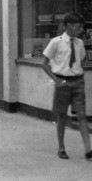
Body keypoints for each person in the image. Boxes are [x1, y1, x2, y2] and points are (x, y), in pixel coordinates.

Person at [41, 12, 92, 160]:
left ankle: (88, 150)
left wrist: (77, 75)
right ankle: (61, 148)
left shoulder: (79, 43)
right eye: (79, 27)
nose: (81, 30)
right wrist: (57, 80)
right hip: (62, 83)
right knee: (62, 116)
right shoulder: (56, 42)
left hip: (77, 82)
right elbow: (45, 64)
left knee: (82, 116)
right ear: (69, 26)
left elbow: (80, 61)